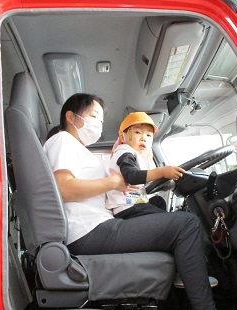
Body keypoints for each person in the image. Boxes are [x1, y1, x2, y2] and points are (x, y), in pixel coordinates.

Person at [43, 93, 216, 310]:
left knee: (173, 221)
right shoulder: (62, 140)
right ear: (71, 116)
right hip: (89, 231)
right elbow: (65, 189)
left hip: (97, 226)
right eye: (94, 116)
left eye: (101, 120)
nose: (98, 124)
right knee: (187, 224)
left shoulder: (79, 149)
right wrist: (113, 182)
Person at [107, 111, 186, 219]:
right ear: (122, 137)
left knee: (158, 202)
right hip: (126, 208)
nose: (144, 138)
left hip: (134, 204)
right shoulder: (124, 152)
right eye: (138, 132)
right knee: (179, 220)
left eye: (149, 135)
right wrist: (162, 172)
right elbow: (132, 176)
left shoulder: (134, 156)